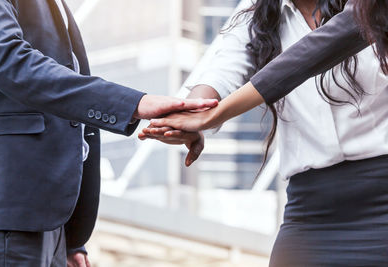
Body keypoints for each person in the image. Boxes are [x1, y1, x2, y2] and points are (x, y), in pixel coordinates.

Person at [141, 0, 388, 265]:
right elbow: (220, 71)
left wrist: (216, 113)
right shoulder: (257, 14)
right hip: (311, 213)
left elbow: (311, 54)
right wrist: (189, 113)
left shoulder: (369, 6)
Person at [0, 1, 218, 266]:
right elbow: (7, 60)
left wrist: (71, 238)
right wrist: (133, 104)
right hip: (9, 212)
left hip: (51, 224)